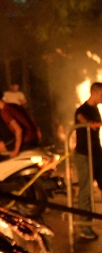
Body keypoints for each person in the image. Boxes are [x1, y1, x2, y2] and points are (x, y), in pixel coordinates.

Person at [74, 82, 102, 240]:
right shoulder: (81, 110)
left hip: (97, 153)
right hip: (84, 155)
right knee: (86, 191)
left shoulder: (95, 109)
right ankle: (85, 227)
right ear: (95, 93)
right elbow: (88, 124)